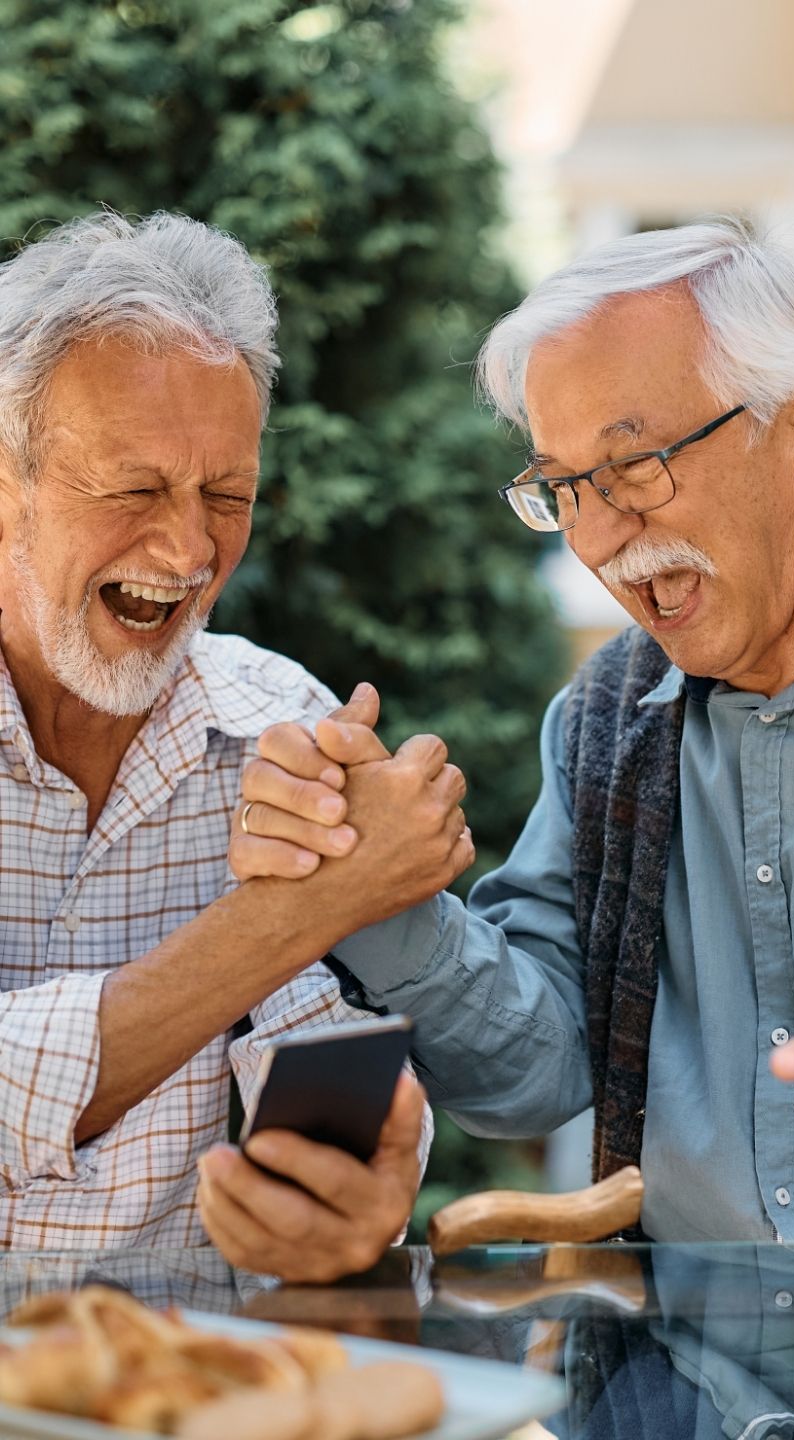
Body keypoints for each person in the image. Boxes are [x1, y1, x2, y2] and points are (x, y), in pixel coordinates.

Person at [226, 220, 794, 1243]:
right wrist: (370, 889)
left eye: (634, 465)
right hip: (674, 1345)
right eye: (562, 488)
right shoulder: (601, 719)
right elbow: (535, 1075)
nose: (597, 538)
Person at [0, 211, 451, 1280]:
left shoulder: (284, 727)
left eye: (227, 496)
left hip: (193, 1369)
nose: (189, 548)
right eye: (135, 489)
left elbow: (326, 1079)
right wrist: (293, 912)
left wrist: (353, 1190)